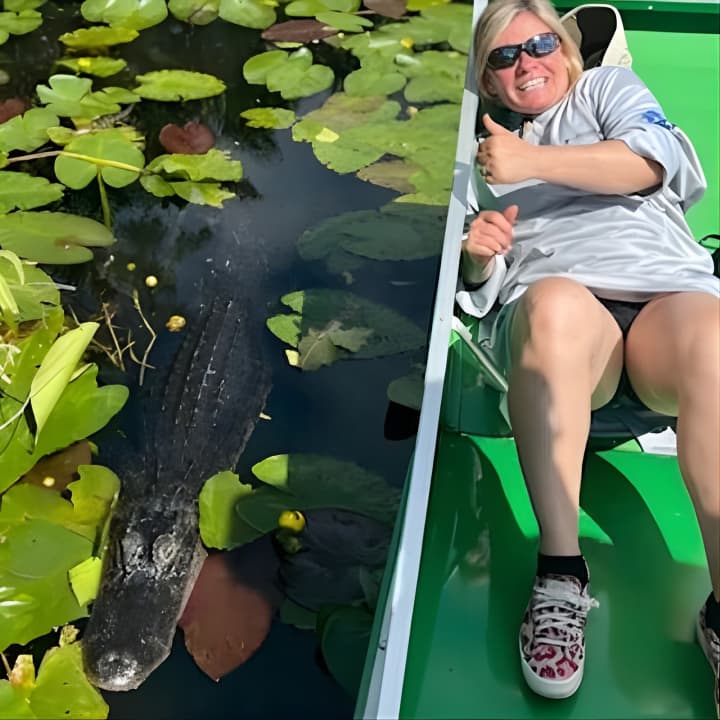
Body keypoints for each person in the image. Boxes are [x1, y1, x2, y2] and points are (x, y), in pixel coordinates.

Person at [460, 0, 720, 708]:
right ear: (487, 78)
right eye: (504, 56)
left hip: (666, 305)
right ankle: (560, 574)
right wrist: (478, 258)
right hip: (572, 344)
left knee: (713, 335)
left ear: (567, 49)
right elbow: (476, 290)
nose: (527, 62)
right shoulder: (477, 153)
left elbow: (649, 163)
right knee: (551, 304)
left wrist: (530, 162)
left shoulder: (606, 90)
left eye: (541, 44)